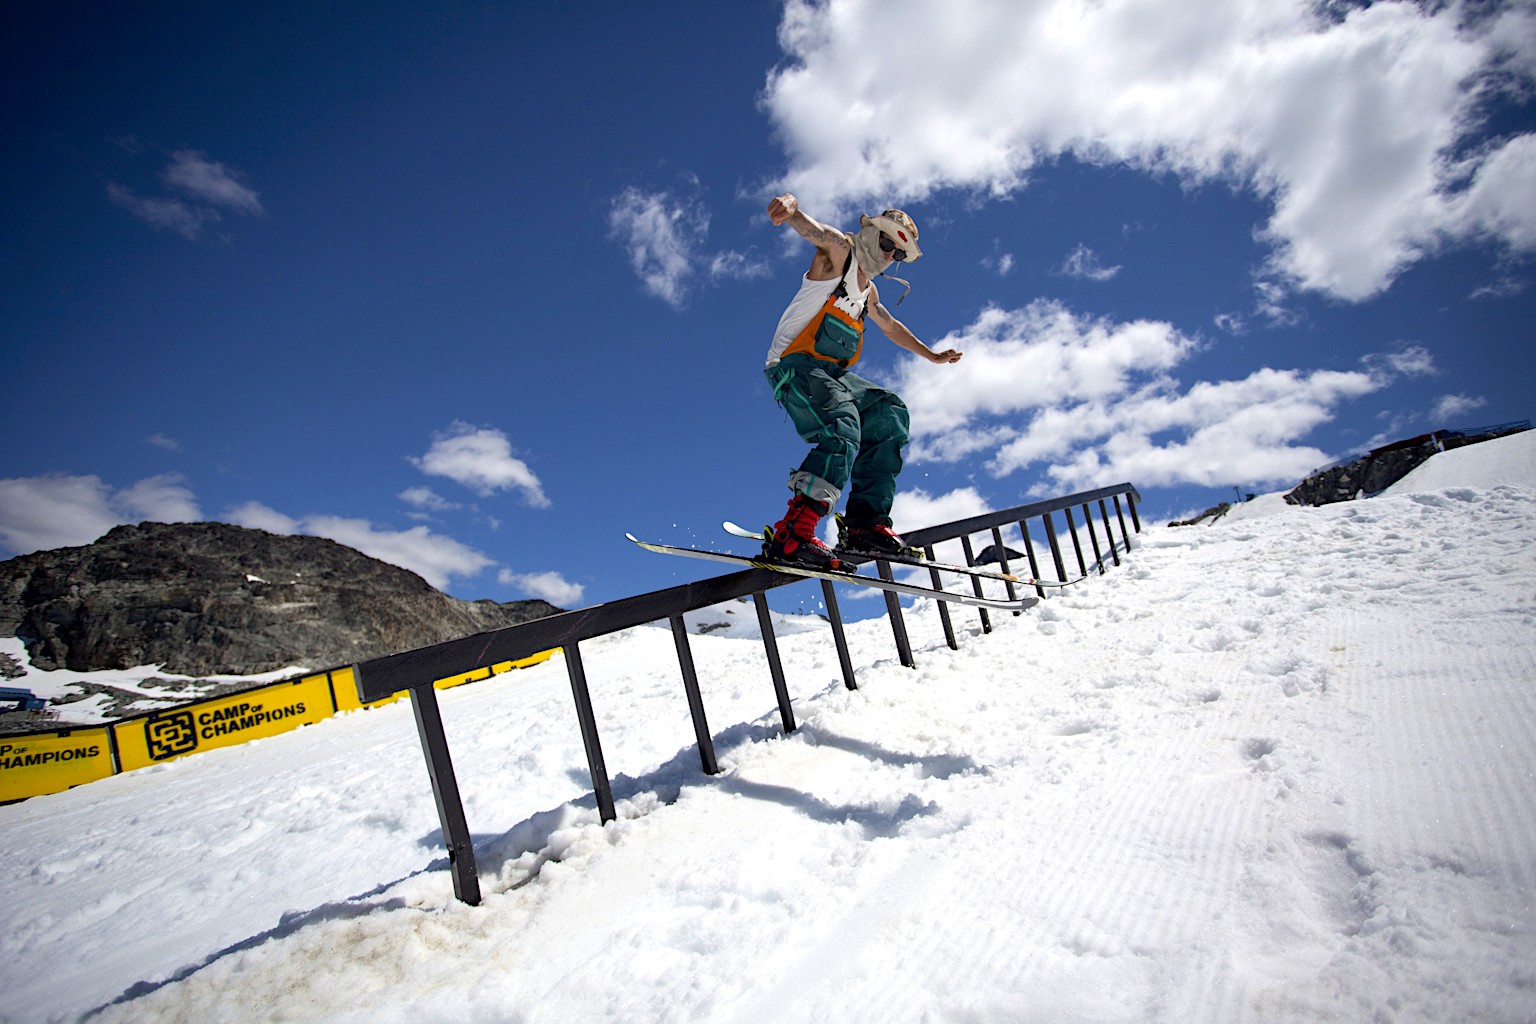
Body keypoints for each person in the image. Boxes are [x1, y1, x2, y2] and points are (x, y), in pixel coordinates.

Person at [761, 193, 963, 570]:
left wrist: (933, 355)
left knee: (889, 412)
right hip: (793, 367)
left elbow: (890, 326)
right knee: (843, 425)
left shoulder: (869, 292)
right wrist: (792, 212)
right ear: (870, 233)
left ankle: (863, 527)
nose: (889, 255)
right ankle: (794, 534)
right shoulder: (840, 255)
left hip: (829, 374)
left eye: (899, 254)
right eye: (888, 243)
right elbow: (819, 234)